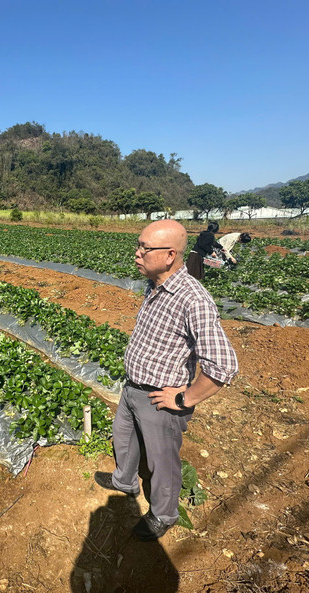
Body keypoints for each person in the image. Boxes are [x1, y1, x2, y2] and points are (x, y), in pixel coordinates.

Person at [94, 220, 239, 541]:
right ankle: (125, 481)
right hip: (134, 387)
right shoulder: (155, 285)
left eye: (145, 248)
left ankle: (164, 514)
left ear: (170, 255)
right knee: (124, 436)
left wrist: (184, 399)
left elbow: (224, 365)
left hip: (161, 398)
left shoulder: (193, 300)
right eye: (139, 245)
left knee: (162, 460)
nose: (137, 253)